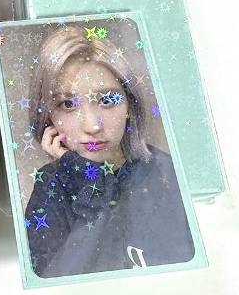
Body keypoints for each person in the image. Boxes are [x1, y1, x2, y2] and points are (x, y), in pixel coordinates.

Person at [25, 26, 194, 278]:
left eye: (107, 100)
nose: (92, 126)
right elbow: (55, 284)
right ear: (48, 116)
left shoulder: (167, 173)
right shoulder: (50, 185)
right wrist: (88, 181)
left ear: (130, 105)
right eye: (68, 104)